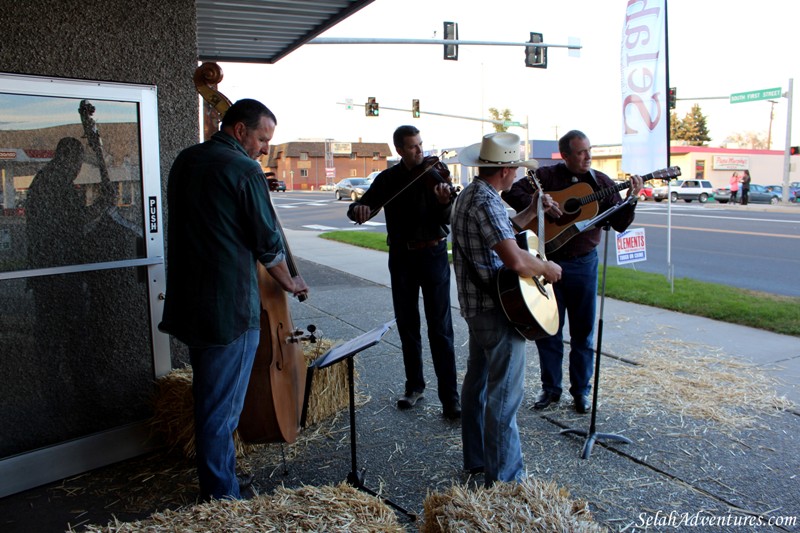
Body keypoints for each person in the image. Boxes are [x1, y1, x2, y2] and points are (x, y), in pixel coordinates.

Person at [159, 99, 308, 501]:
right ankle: (221, 498)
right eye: (262, 138)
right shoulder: (244, 169)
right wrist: (290, 281)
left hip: (190, 302)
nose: (264, 148)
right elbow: (266, 243)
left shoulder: (186, 160)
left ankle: (220, 482)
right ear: (240, 130)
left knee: (209, 400)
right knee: (220, 412)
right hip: (228, 306)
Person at [502, 130, 642, 415]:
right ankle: (550, 389)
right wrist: (541, 204)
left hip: (583, 264)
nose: (587, 156)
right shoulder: (546, 176)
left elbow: (619, 223)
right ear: (565, 155)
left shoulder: (600, 182)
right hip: (546, 262)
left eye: (589, 150)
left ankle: (581, 392)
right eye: (580, 152)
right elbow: (512, 191)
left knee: (583, 333)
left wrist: (632, 199)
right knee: (548, 329)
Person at [451, 132, 562, 486]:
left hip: (478, 306)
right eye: (514, 168)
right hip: (496, 310)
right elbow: (514, 258)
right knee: (504, 396)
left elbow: (501, 233)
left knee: (479, 383)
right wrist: (546, 268)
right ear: (505, 170)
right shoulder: (486, 201)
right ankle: (506, 481)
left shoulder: (474, 195)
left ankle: (478, 459)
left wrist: (532, 210)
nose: (516, 175)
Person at [347, 125, 461, 419]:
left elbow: (446, 219)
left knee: (440, 327)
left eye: (421, 144)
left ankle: (450, 398)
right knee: (407, 323)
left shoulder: (436, 174)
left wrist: (444, 201)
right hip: (401, 256)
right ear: (399, 150)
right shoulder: (388, 179)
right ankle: (414, 387)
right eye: (412, 147)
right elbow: (364, 205)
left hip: (434, 253)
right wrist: (357, 209)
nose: (420, 151)